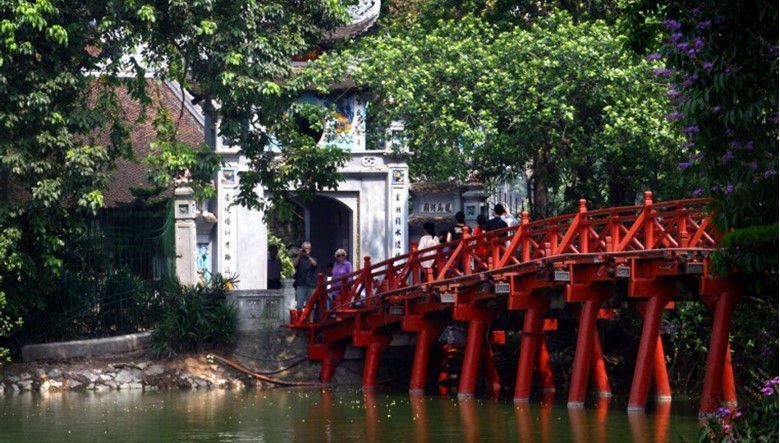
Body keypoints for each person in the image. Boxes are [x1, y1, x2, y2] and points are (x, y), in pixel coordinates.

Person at [293, 241, 318, 309]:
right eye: (305, 248)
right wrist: (300, 255)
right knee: (299, 305)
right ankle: (300, 319)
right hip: (301, 284)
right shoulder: (300, 258)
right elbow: (294, 265)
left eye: (308, 248)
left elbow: (314, 264)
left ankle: (311, 319)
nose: (307, 250)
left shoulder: (313, 257)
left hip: (311, 284)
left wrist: (307, 256)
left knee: (311, 305)